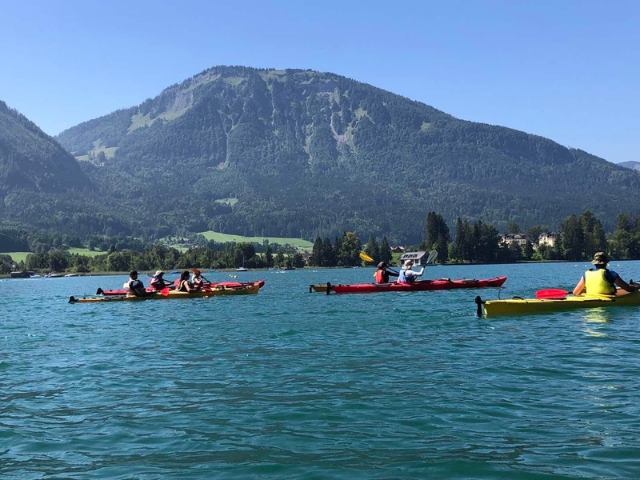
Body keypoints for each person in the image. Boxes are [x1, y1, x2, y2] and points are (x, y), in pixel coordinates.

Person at [573, 252, 639, 296]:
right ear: (606, 263)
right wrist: (637, 287)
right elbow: (628, 288)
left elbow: (575, 293)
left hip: (590, 308)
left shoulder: (586, 274)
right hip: (607, 301)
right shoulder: (610, 273)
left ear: (594, 263)